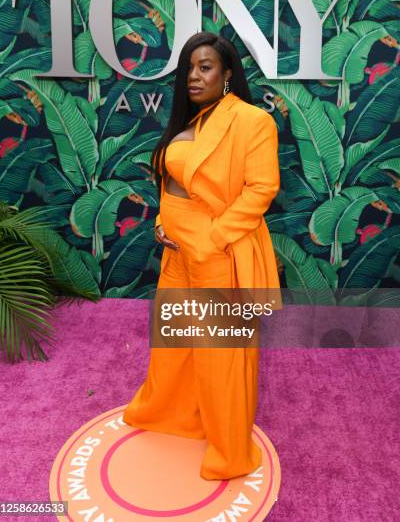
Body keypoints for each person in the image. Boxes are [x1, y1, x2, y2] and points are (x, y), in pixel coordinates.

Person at [123, 32, 280, 481]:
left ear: (227, 74)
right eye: (190, 67)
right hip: (176, 249)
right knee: (174, 344)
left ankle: (230, 450)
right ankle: (175, 414)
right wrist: (161, 223)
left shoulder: (252, 121)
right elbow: (173, 186)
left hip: (217, 249)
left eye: (205, 66)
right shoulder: (192, 120)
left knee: (220, 355)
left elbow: (261, 189)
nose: (194, 75)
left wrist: (212, 238)